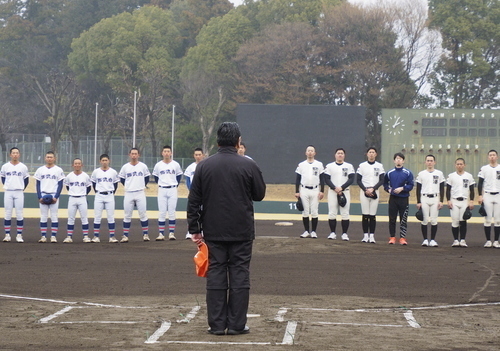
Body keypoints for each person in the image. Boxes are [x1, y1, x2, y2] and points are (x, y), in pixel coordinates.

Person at [187, 122, 266, 336]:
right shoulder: (249, 165)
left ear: (217, 141)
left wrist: (194, 228)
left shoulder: (204, 166)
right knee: (240, 273)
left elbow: (194, 200)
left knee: (216, 273)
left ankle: (217, 324)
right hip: (241, 230)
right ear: (238, 141)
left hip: (213, 230)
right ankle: (237, 324)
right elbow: (259, 194)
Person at [118, 148, 151, 242]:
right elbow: (122, 179)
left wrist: (141, 185)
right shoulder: (125, 167)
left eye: (135, 154)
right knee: (127, 215)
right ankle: (125, 235)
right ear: (129, 155)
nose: (134, 155)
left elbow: (147, 178)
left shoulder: (143, 166)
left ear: (138, 155)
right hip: (129, 192)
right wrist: (129, 186)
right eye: (132, 153)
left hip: (140, 192)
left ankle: (145, 235)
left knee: (143, 214)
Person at [152, 145, 183, 241]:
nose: (166, 153)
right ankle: (161, 233)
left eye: (168, 151)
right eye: (165, 151)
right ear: (162, 153)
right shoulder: (158, 165)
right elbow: (156, 177)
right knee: (162, 212)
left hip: (173, 189)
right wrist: (162, 184)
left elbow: (179, 176)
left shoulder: (175, 164)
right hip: (162, 189)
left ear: (171, 153)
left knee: (172, 212)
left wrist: (174, 185)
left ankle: (171, 233)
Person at [34, 151, 65, 243]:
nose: (49, 158)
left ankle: (53, 236)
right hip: (43, 194)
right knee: (43, 216)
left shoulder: (58, 170)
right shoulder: (40, 170)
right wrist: (39, 197)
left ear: (54, 158)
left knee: (54, 216)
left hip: (53, 194)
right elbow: (38, 184)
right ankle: (43, 236)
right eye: (48, 157)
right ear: (45, 158)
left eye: (51, 157)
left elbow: (60, 185)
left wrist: (56, 196)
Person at [324, 148, 355, 241]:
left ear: (344, 155)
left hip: (345, 192)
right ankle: (332, 233)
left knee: (345, 213)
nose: (340, 155)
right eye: (338, 153)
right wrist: (335, 188)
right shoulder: (330, 166)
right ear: (335, 155)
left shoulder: (349, 166)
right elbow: (327, 179)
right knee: (332, 213)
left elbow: (351, 179)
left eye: (342, 153)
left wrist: (342, 188)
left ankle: (344, 234)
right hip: (333, 192)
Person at [383, 152, 414, 245]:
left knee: (403, 219)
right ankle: (392, 237)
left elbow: (411, 185)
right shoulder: (389, 173)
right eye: (397, 158)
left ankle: (402, 238)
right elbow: (385, 183)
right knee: (392, 219)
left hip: (404, 199)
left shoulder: (408, 173)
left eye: (400, 158)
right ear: (394, 160)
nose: (398, 160)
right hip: (393, 198)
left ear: (403, 161)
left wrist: (403, 188)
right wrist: (388, 189)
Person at [295, 145, 325, 238]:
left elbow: (322, 178)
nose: (310, 152)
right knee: (305, 211)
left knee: (315, 211)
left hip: (315, 190)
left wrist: (322, 191)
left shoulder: (319, 164)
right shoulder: (301, 165)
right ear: (306, 153)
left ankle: (314, 232)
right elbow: (297, 179)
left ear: (315, 153)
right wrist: (297, 191)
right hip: (304, 190)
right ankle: (306, 231)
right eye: (308, 151)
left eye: (312, 151)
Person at [356, 147, 385, 243]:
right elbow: (358, 180)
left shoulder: (379, 166)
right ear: (367, 154)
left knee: (372, 214)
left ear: (376, 154)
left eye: (373, 152)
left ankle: (372, 235)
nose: (371, 154)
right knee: (365, 214)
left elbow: (382, 180)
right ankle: (365, 235)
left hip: (374, 191)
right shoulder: (362, 165)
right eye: (370, 152)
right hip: (364, 191)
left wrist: (374, 188)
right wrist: (365, 189)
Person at [415, 155, 445, 247]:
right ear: (425, 162)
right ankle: (425, 240)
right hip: (424, 197)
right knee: (424, 219)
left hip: (435, 197)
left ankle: (432, 240)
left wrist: (441, 201)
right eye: (428, 160)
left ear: (434, 162)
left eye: (431, 160)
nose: (429, 162)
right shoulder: (421, 174)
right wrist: (418, 201)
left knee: (433, 220)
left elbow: (442, 188)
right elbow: (418, 189)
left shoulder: (439, 173)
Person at [1, 147, 29, 243]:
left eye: (17, 153)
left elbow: (26, 180)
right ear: (10, 155)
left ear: (19, 155)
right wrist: (8, 185)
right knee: (7, 213)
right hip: (8, 191)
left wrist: (21, 187)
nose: (15, 154)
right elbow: (3, 178)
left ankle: (19, 235)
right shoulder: (5, 166)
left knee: (19, 213)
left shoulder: (23, 167)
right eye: (13, 153)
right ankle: (7, 235)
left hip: (19, 191)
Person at [91, 154, 120, 243]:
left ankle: (112, 237)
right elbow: (94, 184)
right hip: (99, 195)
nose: (104, 162)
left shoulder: (113, 172)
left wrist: (111, 193)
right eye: (103, 160)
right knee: (97, 216)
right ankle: (96, 236)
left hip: (109, 195)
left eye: (106, 160)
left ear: (109, 161)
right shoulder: (96, 172)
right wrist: (98, 192)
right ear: (100, 161)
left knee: (111, 216)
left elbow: (115, 184)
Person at [446, 158, 475, 247]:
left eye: (461, 164)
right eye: (458, 164)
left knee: (463, 220)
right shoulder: (451, 176)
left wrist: (471, 201)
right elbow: (448, 190)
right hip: (454, 201)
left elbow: (472, 190)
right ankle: (455, 240)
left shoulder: (468, 176)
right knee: (455, 221)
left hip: (464, 201)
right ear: (455, 165)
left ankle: (462, 240)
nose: (459, 165)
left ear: (464, 165)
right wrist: (448, 200)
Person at [63, 158, 92, 243]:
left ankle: (86, 236)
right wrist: (74, 192)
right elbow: (67, 187)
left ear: (82, 165)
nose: (77, 165)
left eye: (79, 163)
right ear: (73, 165)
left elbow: (89, 187)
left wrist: (83, 194)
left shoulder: (85, 176)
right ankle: (69, 236)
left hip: (82, 198)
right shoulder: (69, 176)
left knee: (84, 218)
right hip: (72, 198)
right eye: (75, 163)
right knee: (71, 218)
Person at [477, 150, 500, 248]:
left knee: (498, 220)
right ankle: (488, 241)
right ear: (488, 157)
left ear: (497, 157)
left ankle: (496, 241)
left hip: (498, 195)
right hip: (487, 195)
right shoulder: (484, 169)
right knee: (487, 219)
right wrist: (480, 195)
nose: (492, 157)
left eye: (494, 155)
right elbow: (480, 183)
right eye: (490, 155)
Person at [183, 147, 204, 239]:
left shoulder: (205, 165)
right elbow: (187, 181)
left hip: (204, 194)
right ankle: (189, 232)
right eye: (196, 155)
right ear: (194, 156)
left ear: (203, 155)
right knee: (192, 213)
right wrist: (191, 191)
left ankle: (203, 230)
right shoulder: (190, 167)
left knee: (204, 212)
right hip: (194, 194)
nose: (198, 156)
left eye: (199, 154)